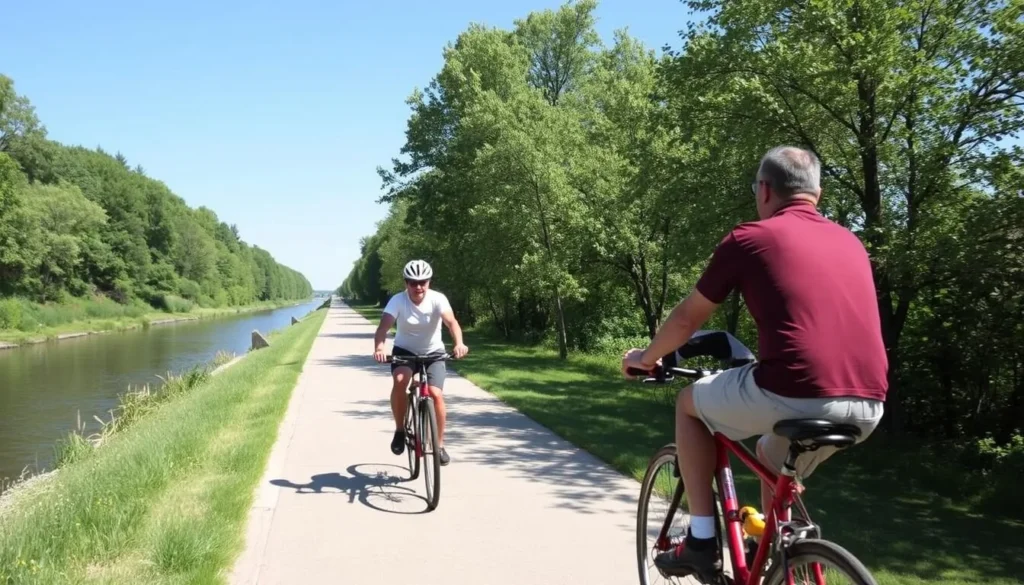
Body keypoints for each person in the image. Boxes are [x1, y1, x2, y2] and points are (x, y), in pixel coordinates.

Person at [622, 146, 888, 579]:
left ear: (764, 190)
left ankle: (702, 541)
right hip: (869, 404)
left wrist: (645, 359)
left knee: (689, 405)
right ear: (817, 192)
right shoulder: (852, 242)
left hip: (794, 390)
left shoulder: (749, 238)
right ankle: (789, 561)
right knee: (768, 456)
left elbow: (689, 317)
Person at [373, 259, 469, 466]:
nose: (418, 287)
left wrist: (459, 343)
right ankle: (400, 430)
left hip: (433, 352)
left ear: (429, 282)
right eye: (413, 282)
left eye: (423, 282)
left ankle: (439, 445)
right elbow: (383, 328)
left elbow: (452, 323)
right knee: (400, 380)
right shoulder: (398, 301)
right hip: (405, 351)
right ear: (406, 283)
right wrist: (380, 348)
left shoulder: (438, 299)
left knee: (435, 394)